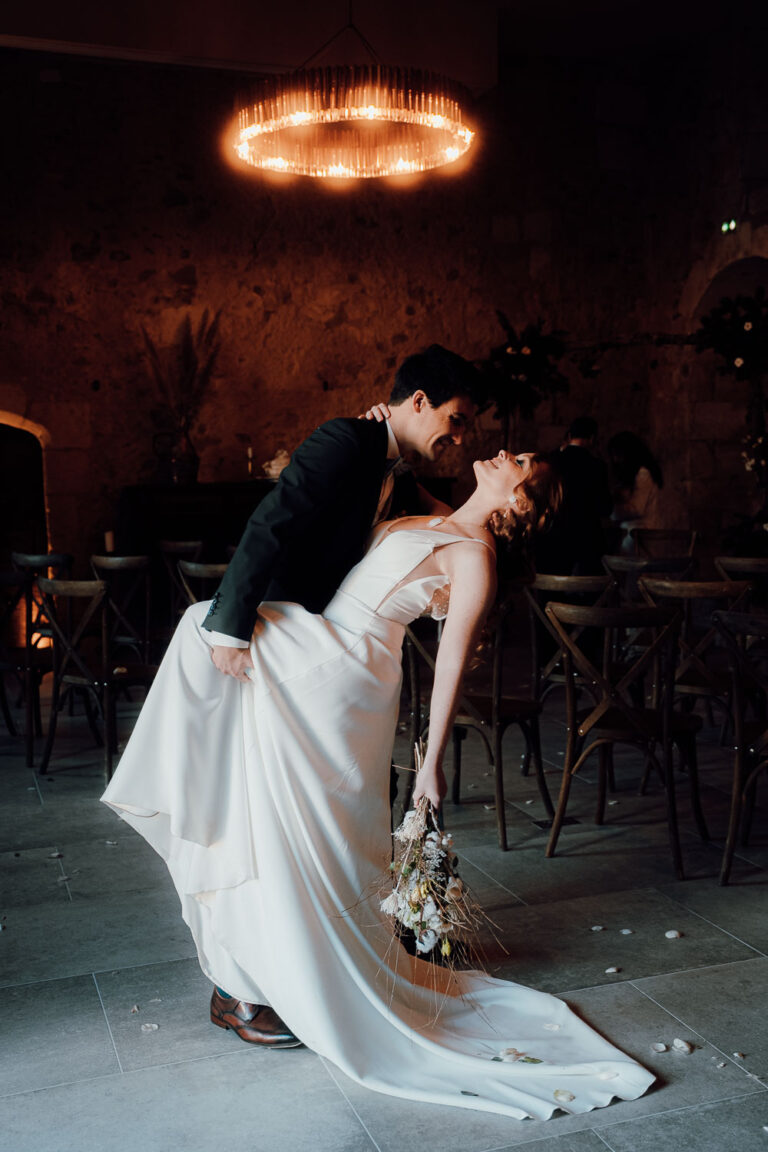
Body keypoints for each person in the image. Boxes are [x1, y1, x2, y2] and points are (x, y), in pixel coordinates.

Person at [102, 449, 655, 1121]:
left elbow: (452, 667)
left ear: (518, 503)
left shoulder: (474, 557)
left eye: (522, 462)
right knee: (243, 744)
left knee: (206, 634)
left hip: (347, 670)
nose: (508, 451)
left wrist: (430, 762)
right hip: (321, 639)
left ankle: (273, 974)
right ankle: (243, 975)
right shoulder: (436, 515)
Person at [203, 343, 480, 683]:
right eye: (456, 420)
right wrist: (230, 632)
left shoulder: (398, 471)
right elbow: (270, 523)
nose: (459, 439)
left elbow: (450, 522)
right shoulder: (345, 439)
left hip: (332, 638)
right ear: (419, 401)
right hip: (280, 622)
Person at [534, 416, 612, 575]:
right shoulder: (597, 466)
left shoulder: (551, 461)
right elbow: (604, 508)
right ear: (592, 438)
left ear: (569, 436)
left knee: (550, 589)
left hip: (552, 536)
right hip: (586, 539)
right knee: (588, 590)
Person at [607, 430, 663, 547]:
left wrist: (610, 511)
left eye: (617, 455)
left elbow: (637, 508)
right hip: (632, 534)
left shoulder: (643, 474)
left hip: (639, 535)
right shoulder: (633, 475)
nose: (615, 460)